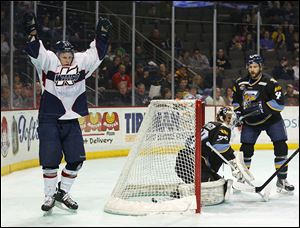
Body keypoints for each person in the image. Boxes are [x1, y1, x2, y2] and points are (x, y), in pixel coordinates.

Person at [23, 12, 112, 212]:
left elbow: (97, 53)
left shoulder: (80, 63)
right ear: (57, 55)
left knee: (76, 160)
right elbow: (34, 48)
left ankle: (62, 192)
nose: (67, 59)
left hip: (71, 120)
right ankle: (49, 196)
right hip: (49, 118)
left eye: (70, 56)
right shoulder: (47, 62)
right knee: (50, 161)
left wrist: (102, 34)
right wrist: (31, 31)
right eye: (64, 56)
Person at [232, 54, 294, 192]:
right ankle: (243, 177)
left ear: (261, 67)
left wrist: (262, 108)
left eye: (255, 67)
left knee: (281, 147)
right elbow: (236, 101)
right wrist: (238, 113)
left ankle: (282, 179)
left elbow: (279, 105)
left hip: (271, 120)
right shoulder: (240, 83)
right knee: (246, 149)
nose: (252, 69)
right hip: (250, 121)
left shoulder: (271, 83)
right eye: (250, 67)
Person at [175, 106, 251, 199]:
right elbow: (220, 148)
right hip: (192, 163)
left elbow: (189, 142)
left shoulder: (211, 125)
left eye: (232, 118)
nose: (231, 120)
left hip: (186, 160)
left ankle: (183, 190)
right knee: (216, 187)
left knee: (220, 183)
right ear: (222, 117)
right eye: (229, 117)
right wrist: (233, 161)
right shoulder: (223, 127)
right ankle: (181, 192)